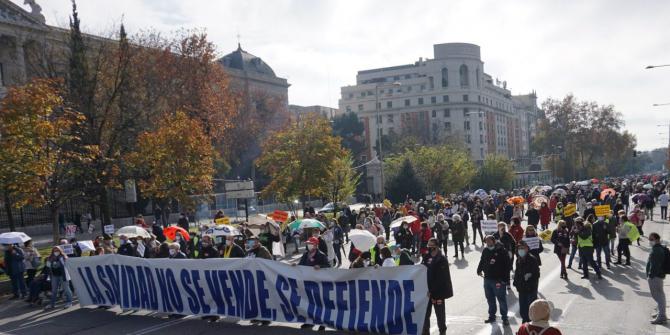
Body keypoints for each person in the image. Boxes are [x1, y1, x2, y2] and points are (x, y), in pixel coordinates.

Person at [297, 237, 330, 331]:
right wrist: (296, 266)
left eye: (311, 244)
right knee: (309, 303)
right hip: (307, 282)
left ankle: (322, 323)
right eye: (308, 243)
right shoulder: (305, 254)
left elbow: (328, 266)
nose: (309, 245)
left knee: (320, 303)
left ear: (316, 245)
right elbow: (301, 264)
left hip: (318, 283)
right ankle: (310, 322)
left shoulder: (321, 255)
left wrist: (320, 266)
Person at [422, 238, 453, 335]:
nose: (429, 247)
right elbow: (420, 269)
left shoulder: (442, 259)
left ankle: (442, 331)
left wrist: (432, 290)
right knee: (425, 315)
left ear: (436, 246)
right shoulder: (426, 257)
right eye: (428, 245)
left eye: (431, 245)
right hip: (427, 293)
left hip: (438, 292)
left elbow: (441, 278)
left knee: (440, 315)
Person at [477, 235, 510, 325]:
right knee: (490, 299)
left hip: (498, 280)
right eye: (486, 241)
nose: (487, 243)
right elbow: (482, 260)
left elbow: (507, 265)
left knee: (501, 299)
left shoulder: (501, 251)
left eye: (489, 241)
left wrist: (505, 280)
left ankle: (505, 318)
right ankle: (492, 316)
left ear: (493, 241)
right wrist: (479, 270)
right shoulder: (485, 250)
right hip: (487, 279)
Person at [514, 241, 540, 323]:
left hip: (530, 288)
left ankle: (531, 324)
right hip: (521, 288)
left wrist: (530, 275)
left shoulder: (532, 259)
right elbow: (517, 272)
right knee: (523, 308)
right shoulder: (518, 259)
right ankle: (524, 324)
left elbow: (537, 274)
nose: (521, 250)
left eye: (523, 248)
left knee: (531, 308)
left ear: (527, 249)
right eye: (519, 248)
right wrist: (516, 283)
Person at [647, 232, 667, 324]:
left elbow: (655, 265)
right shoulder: (657, 248)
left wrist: (651, 275)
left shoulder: (657, 250)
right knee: (660, 295)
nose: (650, 241)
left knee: (658, 296)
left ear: (657, 239)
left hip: (655, 277)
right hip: (658, 276)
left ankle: (662, 316)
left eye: (651, 239)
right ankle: (661, 313)